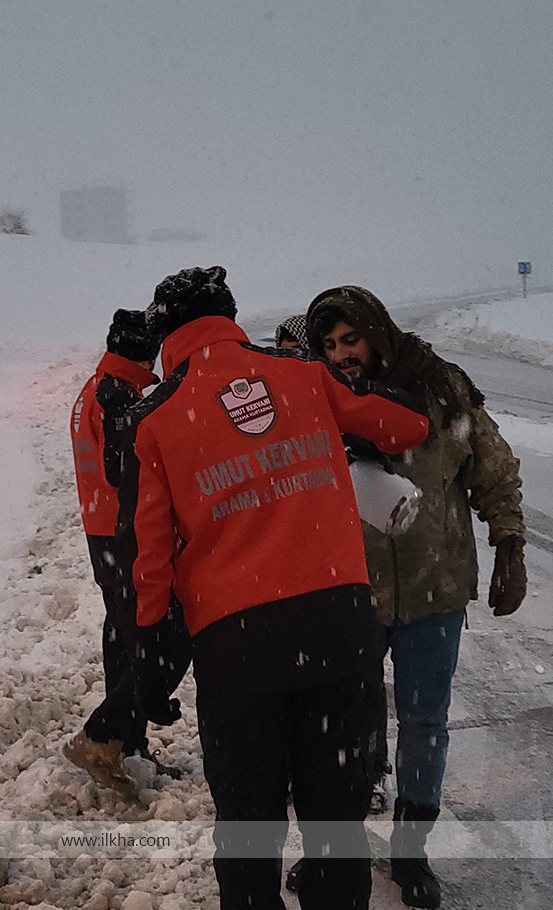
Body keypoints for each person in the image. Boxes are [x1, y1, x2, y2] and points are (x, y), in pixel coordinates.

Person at [122, 267, 429, 910]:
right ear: (229, 317)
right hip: (338, 629)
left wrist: (150, 661)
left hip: (237, 649)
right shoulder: (303, 375)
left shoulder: (154, 421)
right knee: (335, 830)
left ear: (167, 336)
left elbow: (148, 561)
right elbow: (408, 426)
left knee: (248, 832)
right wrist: (347, 399)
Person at [304, 286, 527, 910]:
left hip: (435, 588)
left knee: (424, 722)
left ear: (378, 330)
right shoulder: (319, 396)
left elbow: (493, 465)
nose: (343, 354)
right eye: (330, 345)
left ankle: (410, 850)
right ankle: (332, 849)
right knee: (344, 720)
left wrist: (509, 541)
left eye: (352, 340)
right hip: (350, 590)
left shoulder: (442, 387)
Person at [64, 309, 191, 798]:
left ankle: (127, 746)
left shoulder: (95, 387)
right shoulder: (121, 395)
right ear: (145, 351)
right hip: (128, 533)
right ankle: (106, 735)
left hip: (103, 531)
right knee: (160, 640)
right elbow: (125, 472)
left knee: (124, 635)